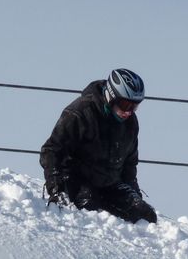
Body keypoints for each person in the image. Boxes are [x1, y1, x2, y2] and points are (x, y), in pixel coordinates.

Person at [40, 68, 157, 224]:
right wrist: (56, 190)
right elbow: (51, 151)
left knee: (146, 216)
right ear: (111, 96)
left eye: (134, 106)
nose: (128, 112)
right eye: (125, 104)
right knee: (90, 207)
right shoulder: (80, 113)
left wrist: (135, 196)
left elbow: (129, 163)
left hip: (109, 185)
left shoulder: (130, 124)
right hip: (76, 181)